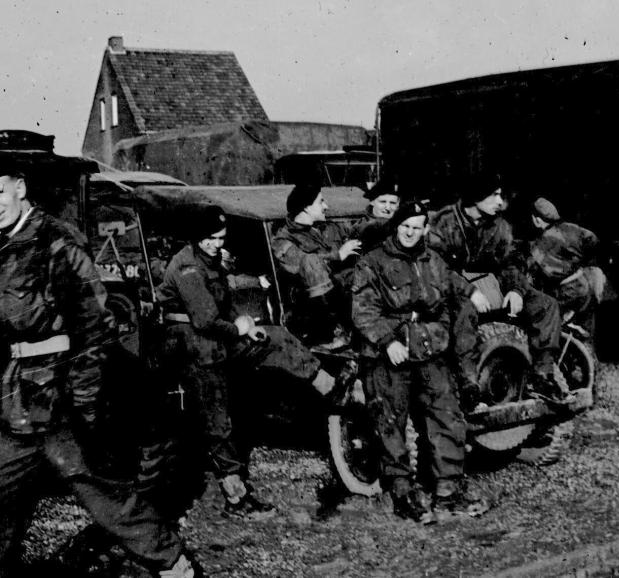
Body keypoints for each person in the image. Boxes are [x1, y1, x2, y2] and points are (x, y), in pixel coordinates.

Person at [0, 165, 198, 578]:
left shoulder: (56, 241)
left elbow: (95, 329)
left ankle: (175, 565)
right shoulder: (4, 247)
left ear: (19, 187)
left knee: (105, 496)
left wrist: (84, 405)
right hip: (17, 402)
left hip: (61, 403)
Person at [156, 205, 357, 520]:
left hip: (218, 335)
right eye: (209, 238)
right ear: (196, 237)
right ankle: (236, 500)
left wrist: (248, 325)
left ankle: (332, 390)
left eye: (220, 238)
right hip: (193, 344)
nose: (215, 243)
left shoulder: (210, 261)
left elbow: (223, 300)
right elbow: (205, 320)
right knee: (217, 419)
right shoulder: (186, 268)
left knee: (275, 337)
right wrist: (239, 327)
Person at [352, 201, 489, 524]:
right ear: (395, 226)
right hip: (391, 352)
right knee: (391, 421)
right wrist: (387, 341)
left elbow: (451, 281)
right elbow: (363, 309)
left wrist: (471, 292)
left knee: (447, 413)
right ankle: (402, 492)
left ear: (426, 228)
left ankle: (448, 489)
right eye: (405, 226)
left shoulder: (432, 259)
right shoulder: (373, 262)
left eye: (417, 226)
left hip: (428, 347)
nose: (411, 233)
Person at [428, 173, 572, 405]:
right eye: (494, 195)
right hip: (451, 288)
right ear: (475, 197)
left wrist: (515, 289)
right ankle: (468, 383)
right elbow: (435, 267)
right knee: (463, 311)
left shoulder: (500, 226)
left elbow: (511, 261)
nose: (499, 202)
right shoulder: (442, 223)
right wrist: (469, 291)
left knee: (546, 306)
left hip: (492, 286)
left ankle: (542, 377)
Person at [273, 183, 362, 349]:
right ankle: (334, 331)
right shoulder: (283, 241)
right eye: (321, 202)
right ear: (306, 208)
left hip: (345, 298)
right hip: (311, 313)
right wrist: (338, 255)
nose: (326, 206)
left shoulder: (326, 228)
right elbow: (305, 263)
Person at [529, 197, 604, 335]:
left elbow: (536, 272)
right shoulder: (571, 228)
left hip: (566, 291)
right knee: (585, 332)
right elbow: (593, 240)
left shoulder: (540, 244)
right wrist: (579, 261)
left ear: (537, 220)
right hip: (584, 284)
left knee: (542, 320)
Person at [350, 180, 400, 253]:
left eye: (392, 203)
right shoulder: (364, 227)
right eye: (383, 202)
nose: (388, 208)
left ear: (398, 205)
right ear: (372, 202)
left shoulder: (402, 224)